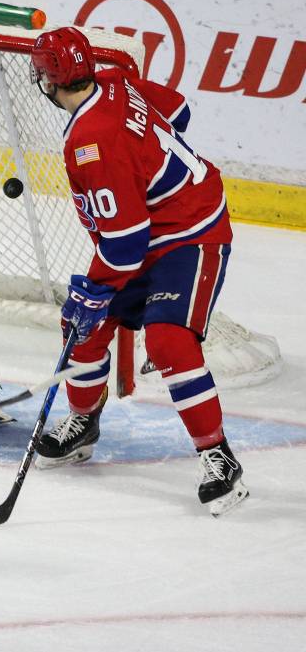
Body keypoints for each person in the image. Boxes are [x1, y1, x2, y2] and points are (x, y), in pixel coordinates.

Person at [28, 27, 248, 516]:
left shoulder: (91, 142)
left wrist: (96, 290)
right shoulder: (113, 80)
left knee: (168, 339)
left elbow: (125, 247)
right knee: (81, 325)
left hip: (191, 231)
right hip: (144, 230)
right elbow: (180, 111)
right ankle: (83, 422)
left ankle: (217, 455)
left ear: (51, 80)